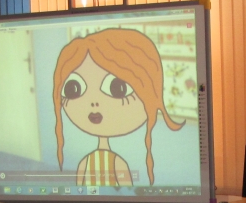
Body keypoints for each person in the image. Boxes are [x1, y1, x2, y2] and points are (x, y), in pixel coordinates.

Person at [53, 28, 184, 187]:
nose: (94, 102)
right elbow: (80, 189)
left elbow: (127, 192)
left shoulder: (114, 164)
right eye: (73, 89)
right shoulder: (86, 164)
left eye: (117, 88)